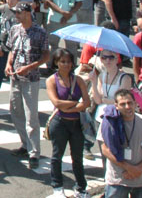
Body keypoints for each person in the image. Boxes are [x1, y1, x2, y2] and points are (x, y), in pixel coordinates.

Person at [5, 2, 50, 170]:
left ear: (28, 13)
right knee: (15, 111)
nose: (17, 15)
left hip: (31, 78)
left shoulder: (40, 32)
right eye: (16, 13)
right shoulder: (14, 29)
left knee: (31, 117)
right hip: (15, 77)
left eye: (19, 13)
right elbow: (12, 50)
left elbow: (46, 56)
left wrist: (29, 68)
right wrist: (9, 64)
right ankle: (25, 144)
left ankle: (34, 152)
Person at [45, 48, 91, 198]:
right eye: (62, 61)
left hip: (76, 124)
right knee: (57, 156)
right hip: (59, 123)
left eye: (68, 62)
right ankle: (57, 187)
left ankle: (81, 188)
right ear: (56, 63)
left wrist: (69, 108)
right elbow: (56, 103)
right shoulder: (51, 80)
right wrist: (75, 106)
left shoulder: (79, 80)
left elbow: (87, 102)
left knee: (77, 158)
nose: (66, 65)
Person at [97, 89, 142, 198]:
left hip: (141, 180)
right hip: (117, 180)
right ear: (116, 105)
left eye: (130, 103)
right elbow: (105, 150)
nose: (127, 107)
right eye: (123, 104)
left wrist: (139, 168)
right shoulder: (109, 122)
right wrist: (129, 168)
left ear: (135, 103)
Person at [92, 49, 133, 123]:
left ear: (117, 59)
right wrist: (93, 82)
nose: (107, 60)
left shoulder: (125, 78)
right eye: (104, 57)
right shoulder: (101, 76)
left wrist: (105, 100)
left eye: (111, 57)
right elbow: (98, 100)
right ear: (101, 59)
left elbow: (122, 102)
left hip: (117, 118)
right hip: (100, 117)